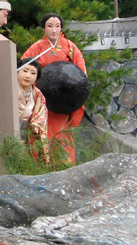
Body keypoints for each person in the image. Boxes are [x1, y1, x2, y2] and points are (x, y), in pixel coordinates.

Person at [22, 13, 86, 163]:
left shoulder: (70, 47)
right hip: (42, 99)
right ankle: (41, 166)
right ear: (44, 28)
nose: (54, 30)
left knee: (63, 135)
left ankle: (65, 165)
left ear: (61, 28)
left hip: (63, 99)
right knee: (40, 132)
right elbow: (24, 68)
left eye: (57, 26)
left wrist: (75, 90)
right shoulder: (37, 47)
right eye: (50, 26)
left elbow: (81, 73)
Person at [16, 58, 48, 159]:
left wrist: (34, 126)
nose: (28, 76)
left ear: (36, 77)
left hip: (28, 136)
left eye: (33, 73)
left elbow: (41, 117)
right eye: (24, 71)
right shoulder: (9, 88)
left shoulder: (38, 95)